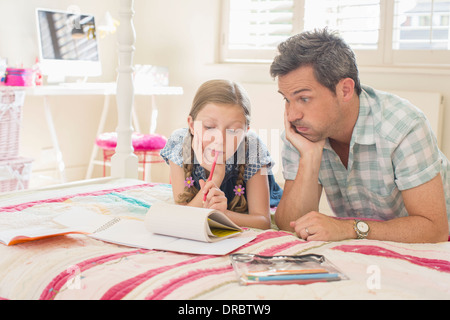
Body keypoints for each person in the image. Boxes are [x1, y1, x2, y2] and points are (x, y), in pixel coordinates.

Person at [271, 28, 449, 243]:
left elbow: (434, 229)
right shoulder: (302, 132)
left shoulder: (403, 126)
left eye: (304, 99)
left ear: (345, 90)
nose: (292, 114)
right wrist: (309, 158)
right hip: (373, 243)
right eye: (286, 99)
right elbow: (290, 224)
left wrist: (349, 228)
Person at [160, 79, 282, 229]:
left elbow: (263, 221)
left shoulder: (253, 149)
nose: (220, 140)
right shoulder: (179, 144)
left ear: (245, 131)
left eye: (233, 131)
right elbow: (183, 214)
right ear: (191, 125)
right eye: (210, 127)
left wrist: (222, 214)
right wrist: (216, 177)